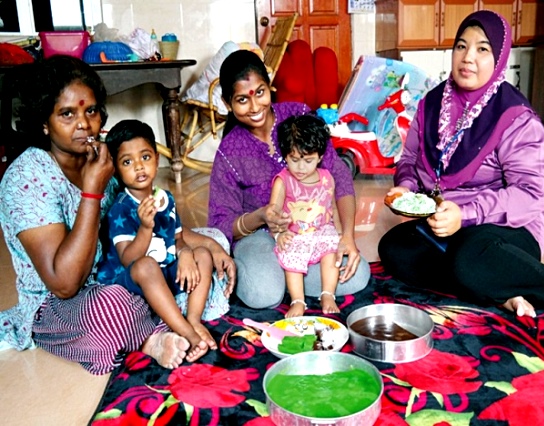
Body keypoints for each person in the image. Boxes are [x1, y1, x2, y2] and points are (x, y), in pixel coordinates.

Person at [0, 56, 235, 374]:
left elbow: (159, 229)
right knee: (109, 307)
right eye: (67, 114)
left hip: (121, 270)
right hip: (63, 305)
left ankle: (159, 315)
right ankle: (152, 337)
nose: (83, 124)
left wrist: (204, 248)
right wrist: (92, 191)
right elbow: (65, 284)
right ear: (44, 122)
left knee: (210, 242)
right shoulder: (27, 176)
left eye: (91, 111)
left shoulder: (99, 158)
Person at [378, 10, 544, 317]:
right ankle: (502, 292)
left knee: (469, 258)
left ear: (500, 58)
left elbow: (531, 195)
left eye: (482, 49)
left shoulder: (515, 117)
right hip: (444, 222)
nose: (468, 58)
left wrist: (466, 214)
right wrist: (405, 188)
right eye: (461, 46)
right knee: (395, 249)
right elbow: (410, 158)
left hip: (503, 229)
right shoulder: (432, 103)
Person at [208, 49, 370, 309]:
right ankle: (283, 278)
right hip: (260, 237)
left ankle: (289, 278)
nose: (254, 107)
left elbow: (339, 174)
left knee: (358, 274)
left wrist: (348, 236)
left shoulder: (299, 116)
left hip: (311, 230)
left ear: (269, 86)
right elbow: (221, 225)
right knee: (263, 294)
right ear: (228, 103)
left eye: (259, 93)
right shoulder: (229, 152)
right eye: (241, 100)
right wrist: (261, 216)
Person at [98, 119, 231, 362]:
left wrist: (185, 254)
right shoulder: (120, 209)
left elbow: (177, 238)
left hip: (165, 272)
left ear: (157, 160)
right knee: (147, 264)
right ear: (116, 170)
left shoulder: (165, 198)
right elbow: (129, 259)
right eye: (127, 162)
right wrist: (146, 228)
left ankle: (192, 317)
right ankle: (188, 333)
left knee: (202, 252)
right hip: (134, 281)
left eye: (145, 157)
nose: (139, 167)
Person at [270, 114, 341, 317]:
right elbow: (273, 213)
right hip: (294, 233)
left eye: (308, 161)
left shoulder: (327, 178)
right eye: (294, 160)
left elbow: (332, 207)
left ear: (320, 157)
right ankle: (298, 300)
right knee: (292, 252)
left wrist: (341, 235)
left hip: (321, 229)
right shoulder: (282, 181)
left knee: (331, 249)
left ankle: (328, 293)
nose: (301, 168)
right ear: (285, 156)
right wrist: (279, 235)